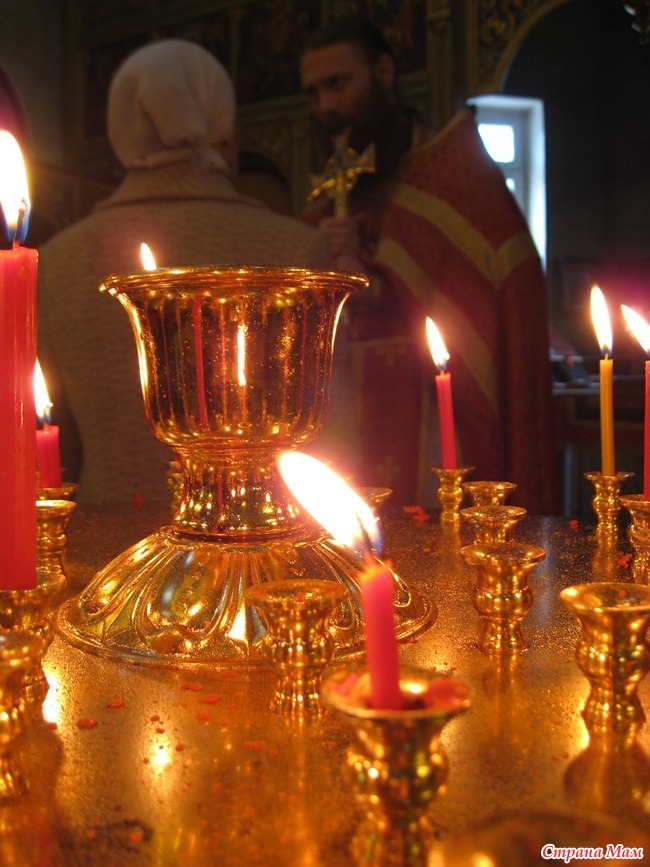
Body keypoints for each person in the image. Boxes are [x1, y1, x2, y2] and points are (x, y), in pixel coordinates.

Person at [38, 39, 333, 505]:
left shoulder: (54, 262)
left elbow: (53, 447)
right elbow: (332, 447)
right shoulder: (299, 249)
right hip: (255, 536)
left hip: (102, 536)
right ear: (224, 131)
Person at [299, 19, 557, 514]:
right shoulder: (327, 200)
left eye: (337, 83)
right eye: (313, 92)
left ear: (384, 72)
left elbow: (493, 300)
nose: (325, 105)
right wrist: (320, 257)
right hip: (343, 417)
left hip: (434, 415)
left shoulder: (456, 175)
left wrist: (381, 285)